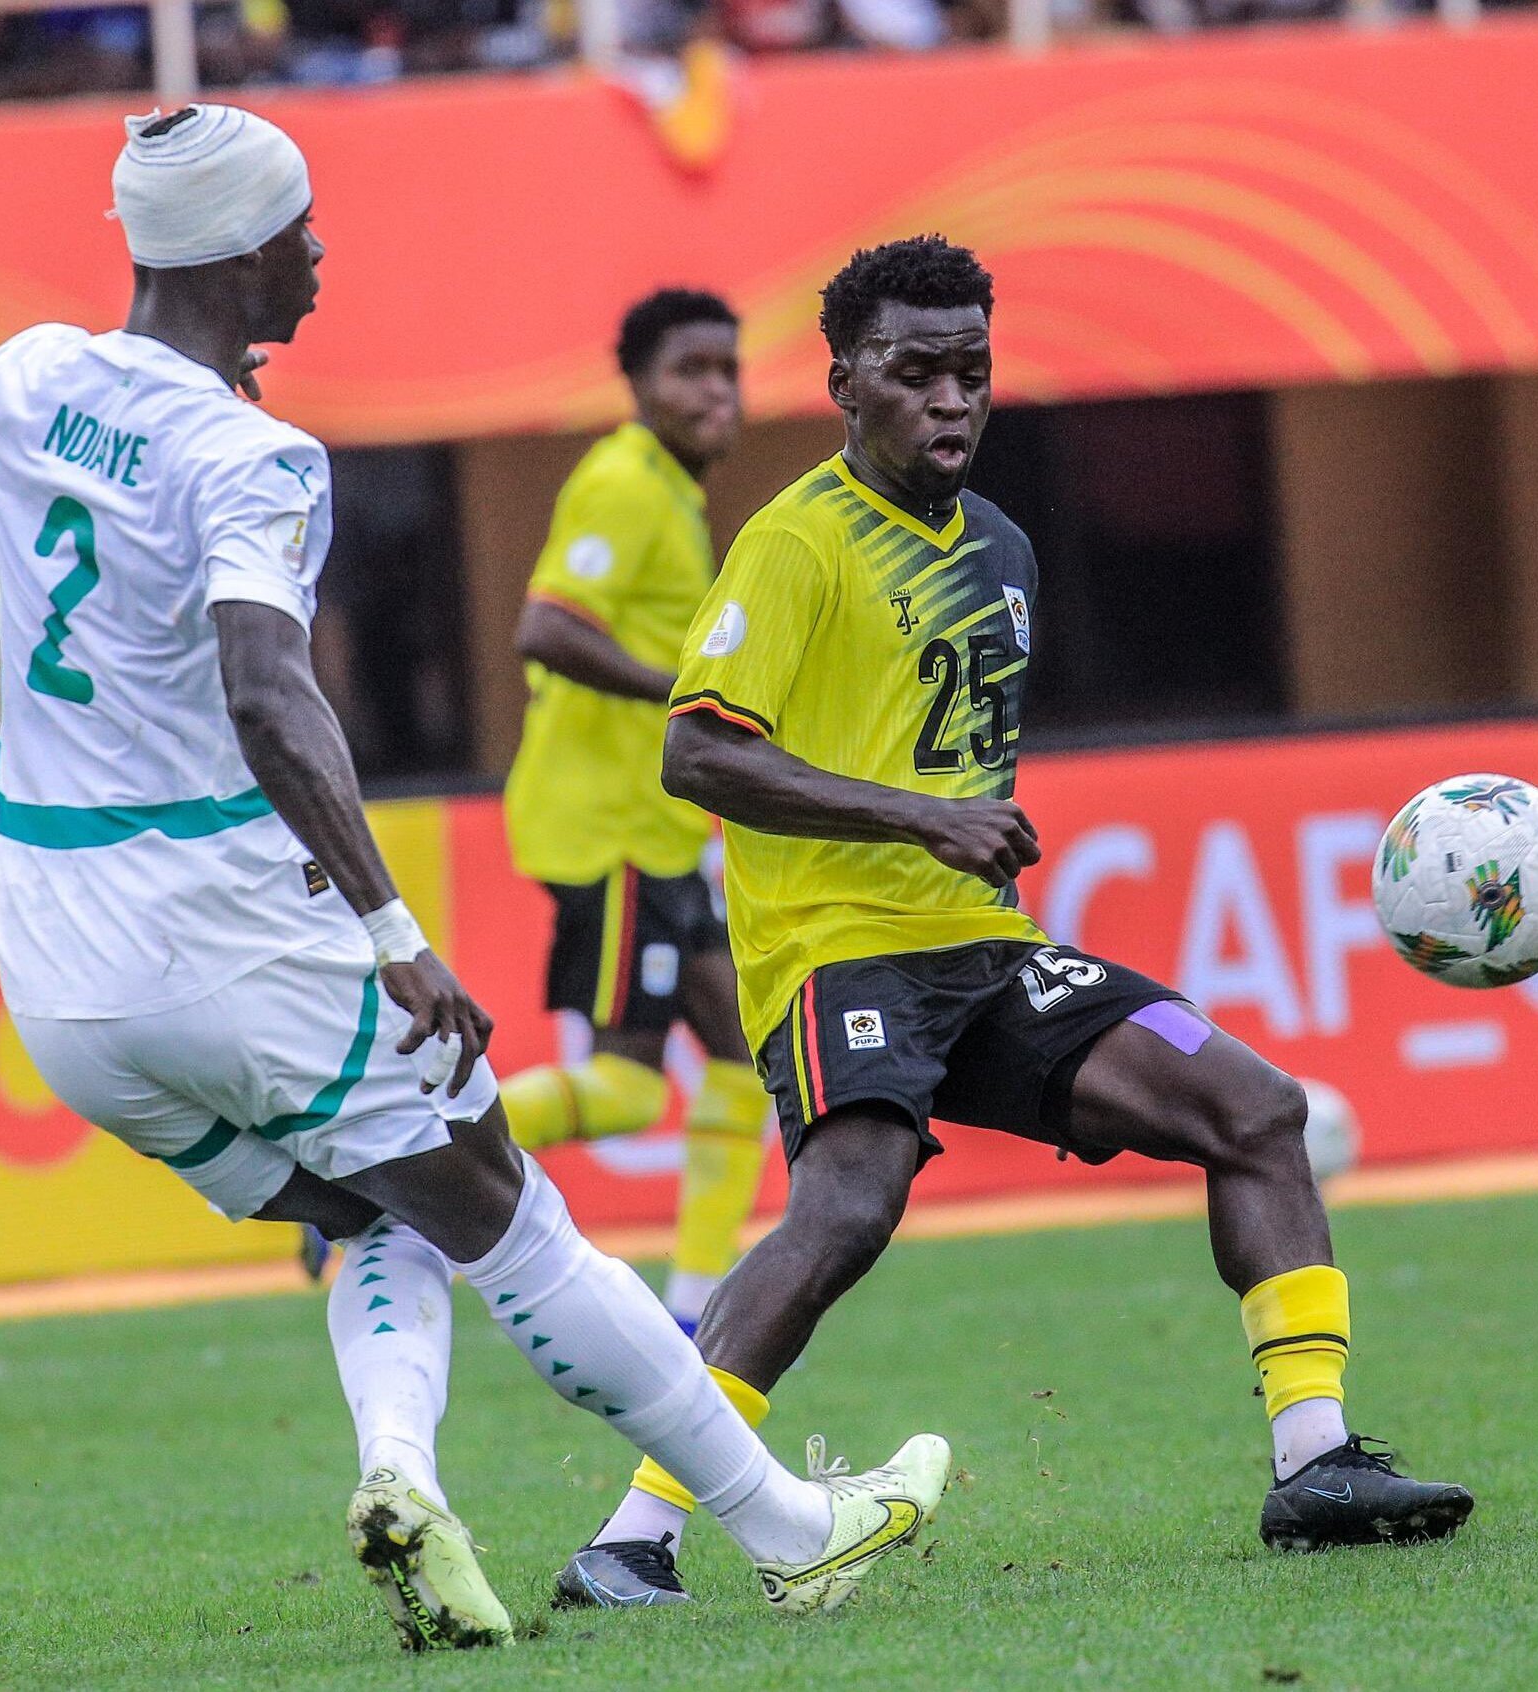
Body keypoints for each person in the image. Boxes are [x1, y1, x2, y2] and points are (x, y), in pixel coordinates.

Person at [0, 105, 951, 1651]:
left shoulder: (30, 373)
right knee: (516, 1226)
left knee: (381, 1210)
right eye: (300, 229)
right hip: (222, 931)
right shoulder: (254, 458)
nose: (321, 252)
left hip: (56, 971)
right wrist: (394, 933)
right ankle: (794, 1532)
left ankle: (405, 1484)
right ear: (238, 253)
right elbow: (269, 694)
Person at [554, 235, 1473, 1608]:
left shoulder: (1004, 551)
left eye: (970, 372)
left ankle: (1318, 1462)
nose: (950, 400)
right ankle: (634, 1539)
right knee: (848, 1208)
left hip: (986, 953)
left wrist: (953, 840)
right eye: (915, 372)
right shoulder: (793, 541)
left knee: (1257, 1110)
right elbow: (699, 756)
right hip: (837, 949)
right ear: (845, 381)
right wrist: (918, 818)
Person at [498, 288, 770, 1341]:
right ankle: (399, 1157)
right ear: (639, 383)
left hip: (654, 833)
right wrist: (684, 695)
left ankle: (697, 1307)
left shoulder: (671, 492)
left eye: (727, 370)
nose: (715, 391)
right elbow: (545, 628)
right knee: (622, 1088)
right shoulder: (621, 483)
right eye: (689, 370)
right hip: (605, 828)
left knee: (747, 1058)